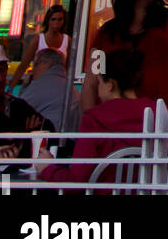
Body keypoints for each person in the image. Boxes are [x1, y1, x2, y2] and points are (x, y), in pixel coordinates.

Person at [37, 49, 155, 186]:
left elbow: (75, 182)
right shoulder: (158, 112)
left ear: (110, 84)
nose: (98, 90)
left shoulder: (94, 118)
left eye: (99, 82)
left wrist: (47, 168)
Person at [0, 43, 50, 147]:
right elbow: (0, 144)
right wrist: (26, 134)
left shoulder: (16, 104)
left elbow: (48, 128)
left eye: (2, 70)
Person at [8, 3, 70, 91]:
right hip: (39, 84)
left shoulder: (67, 40)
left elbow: (68, 67)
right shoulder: (38, 39)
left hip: (59, 86)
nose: (56, 23)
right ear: (48, 21)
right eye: (53, 19)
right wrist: (11, 88)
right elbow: (24, 65)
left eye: (60, 19)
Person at [20, 48, 80, 131]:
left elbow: (18, 109)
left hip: (49, 138)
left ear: (46, 63)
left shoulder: (39, 86)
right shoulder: (72, 88)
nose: (33, 70)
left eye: (35, 64)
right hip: (71, 139)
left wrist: (25, 85)